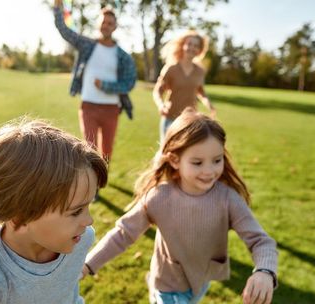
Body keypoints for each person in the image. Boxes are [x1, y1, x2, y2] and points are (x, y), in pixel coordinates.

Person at [82, 109, 278, 304]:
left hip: (200, 281)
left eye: (217, 160)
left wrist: (264, 271)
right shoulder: (159, 197)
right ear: (175, 160)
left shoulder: (228, 199)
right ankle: (155, 288)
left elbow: (261, 241)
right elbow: (123, 234)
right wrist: (89, 264)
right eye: (197, 162)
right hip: (168, 284)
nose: (209, 171)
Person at [0, 118, 108, 303]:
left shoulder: (81, 241)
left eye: (88, 206)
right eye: (76, 212)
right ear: (21, 214)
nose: (89, 221)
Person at [53, 0, 137, 163]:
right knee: (89, 151)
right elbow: (64, 30)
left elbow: (129, 83)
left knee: (106, 152)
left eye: (110, 23)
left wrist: (106, 86)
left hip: (111, 109)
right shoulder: (87, 45)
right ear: (99, 24)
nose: (106, 25)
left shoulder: (123, 56)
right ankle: (93, 188)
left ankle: (100, 182)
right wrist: (57, 7)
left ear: (115, 27)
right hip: (88, 106)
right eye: (103, 22)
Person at [153, 31, 216, 143]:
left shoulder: (200, 71)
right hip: (170, 118)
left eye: (196, 46)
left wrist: (208, 103)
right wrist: (160, 105)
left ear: (199, 50)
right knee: (166, 154)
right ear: (183, 45)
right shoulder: (171, 68)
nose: (192, 48)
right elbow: (157, 91)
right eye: (189, 44)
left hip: (190, 120)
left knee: (186, 156)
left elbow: (201, 91)